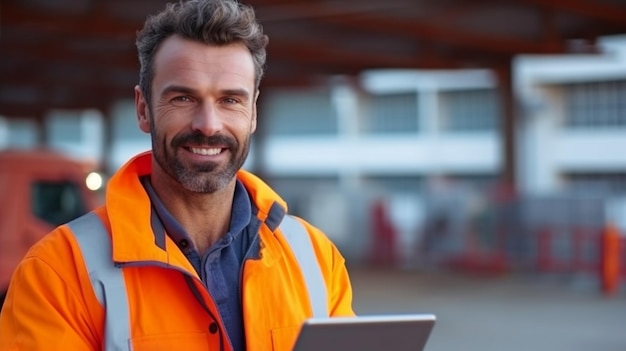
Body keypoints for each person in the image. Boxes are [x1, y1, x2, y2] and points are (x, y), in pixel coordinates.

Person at [0, 0, 355, 350]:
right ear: (143, 109)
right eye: (184, 98)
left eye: (230, 100)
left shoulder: (317, 258)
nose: (208, 125)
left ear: (253, 113)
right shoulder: (57, 272)